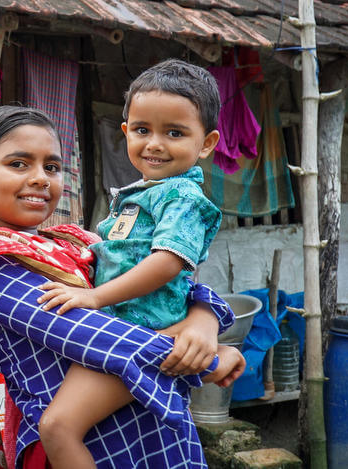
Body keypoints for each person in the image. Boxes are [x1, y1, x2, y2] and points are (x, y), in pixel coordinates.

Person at [0, 105, 244, 469]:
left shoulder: (74, 244)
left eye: (52, 167)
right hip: (93, 450)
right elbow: (102, 339)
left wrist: (204, 320)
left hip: (152, 439)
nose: (41, 178)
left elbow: (167, 283)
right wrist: (208, 359)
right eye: (18, 164)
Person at [35, 59, 226, 468]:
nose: (154, 143)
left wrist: (94, 296)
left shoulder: (183, 198)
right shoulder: (140, 194)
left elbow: (168, 262)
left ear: (207, 143)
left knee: (57, 427)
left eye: (174, 133)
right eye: (142, 130)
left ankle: (217, 357)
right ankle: (220, 358)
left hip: (142, 333)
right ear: (126, 132)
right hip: (122, 330)